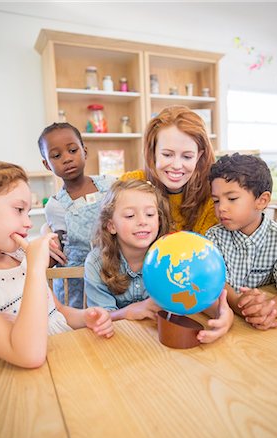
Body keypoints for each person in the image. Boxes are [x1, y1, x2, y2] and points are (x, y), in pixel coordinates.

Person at [0, 161, 114, 368]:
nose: (28, 223)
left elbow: (57, 311)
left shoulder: (19, 257)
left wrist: (85, 317)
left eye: (28, 213)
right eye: (19, 209)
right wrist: (36, 269)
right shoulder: (24, 267)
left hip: (65, 355)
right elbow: (28, 355)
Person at [85, 179, 233, 343]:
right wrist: (128, 312)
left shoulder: (176, 255)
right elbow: (99, 319)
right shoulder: (96, 263)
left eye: (150, 214)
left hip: (160, 345)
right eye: (130, 215)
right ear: (111, 225)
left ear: (159, 220)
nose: (142, 221)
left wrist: (225, 316)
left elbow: (208, 303)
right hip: (118, 345)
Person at [205, 153, 277, 330]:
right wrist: (239, 305)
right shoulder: (213, 238)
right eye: (216, 200)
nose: (221, 208)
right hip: (230, 321)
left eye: (232, 199)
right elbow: (216, 281)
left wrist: (268, 310)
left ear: (261, 201)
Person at [38, 122, 115, 308]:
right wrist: (45, 246)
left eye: (72, 150)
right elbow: (58, 245)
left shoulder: (111, 186)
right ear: (47, 164)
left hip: (112, 274)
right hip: (77, 284)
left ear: (85, 151)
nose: (66, 158)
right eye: (56, 156)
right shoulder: (55, 205)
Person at [120, 105, 218, 235]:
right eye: (167, 155)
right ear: (153, 151)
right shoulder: (129, 184)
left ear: (199, 156)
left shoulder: (212, 195)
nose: (177, 165)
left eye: (187, 156)